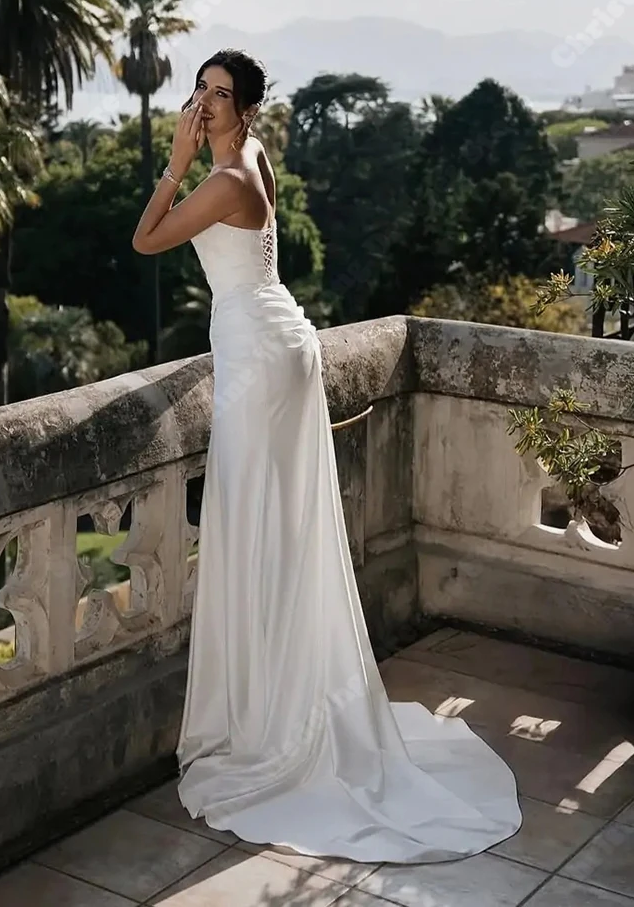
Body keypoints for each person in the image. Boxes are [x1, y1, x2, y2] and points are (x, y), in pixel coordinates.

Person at [132, 48, 521, 863]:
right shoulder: (254, 156)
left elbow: (146, 240)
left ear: (245, 108)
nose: (205, 103)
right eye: (200, 88)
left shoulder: (228, 178)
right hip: (275, 341)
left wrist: (172, 164)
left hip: (260, 357)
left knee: (256, 527)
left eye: (221, 95)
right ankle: (278, 700)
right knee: (274, 526)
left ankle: (274, 723)